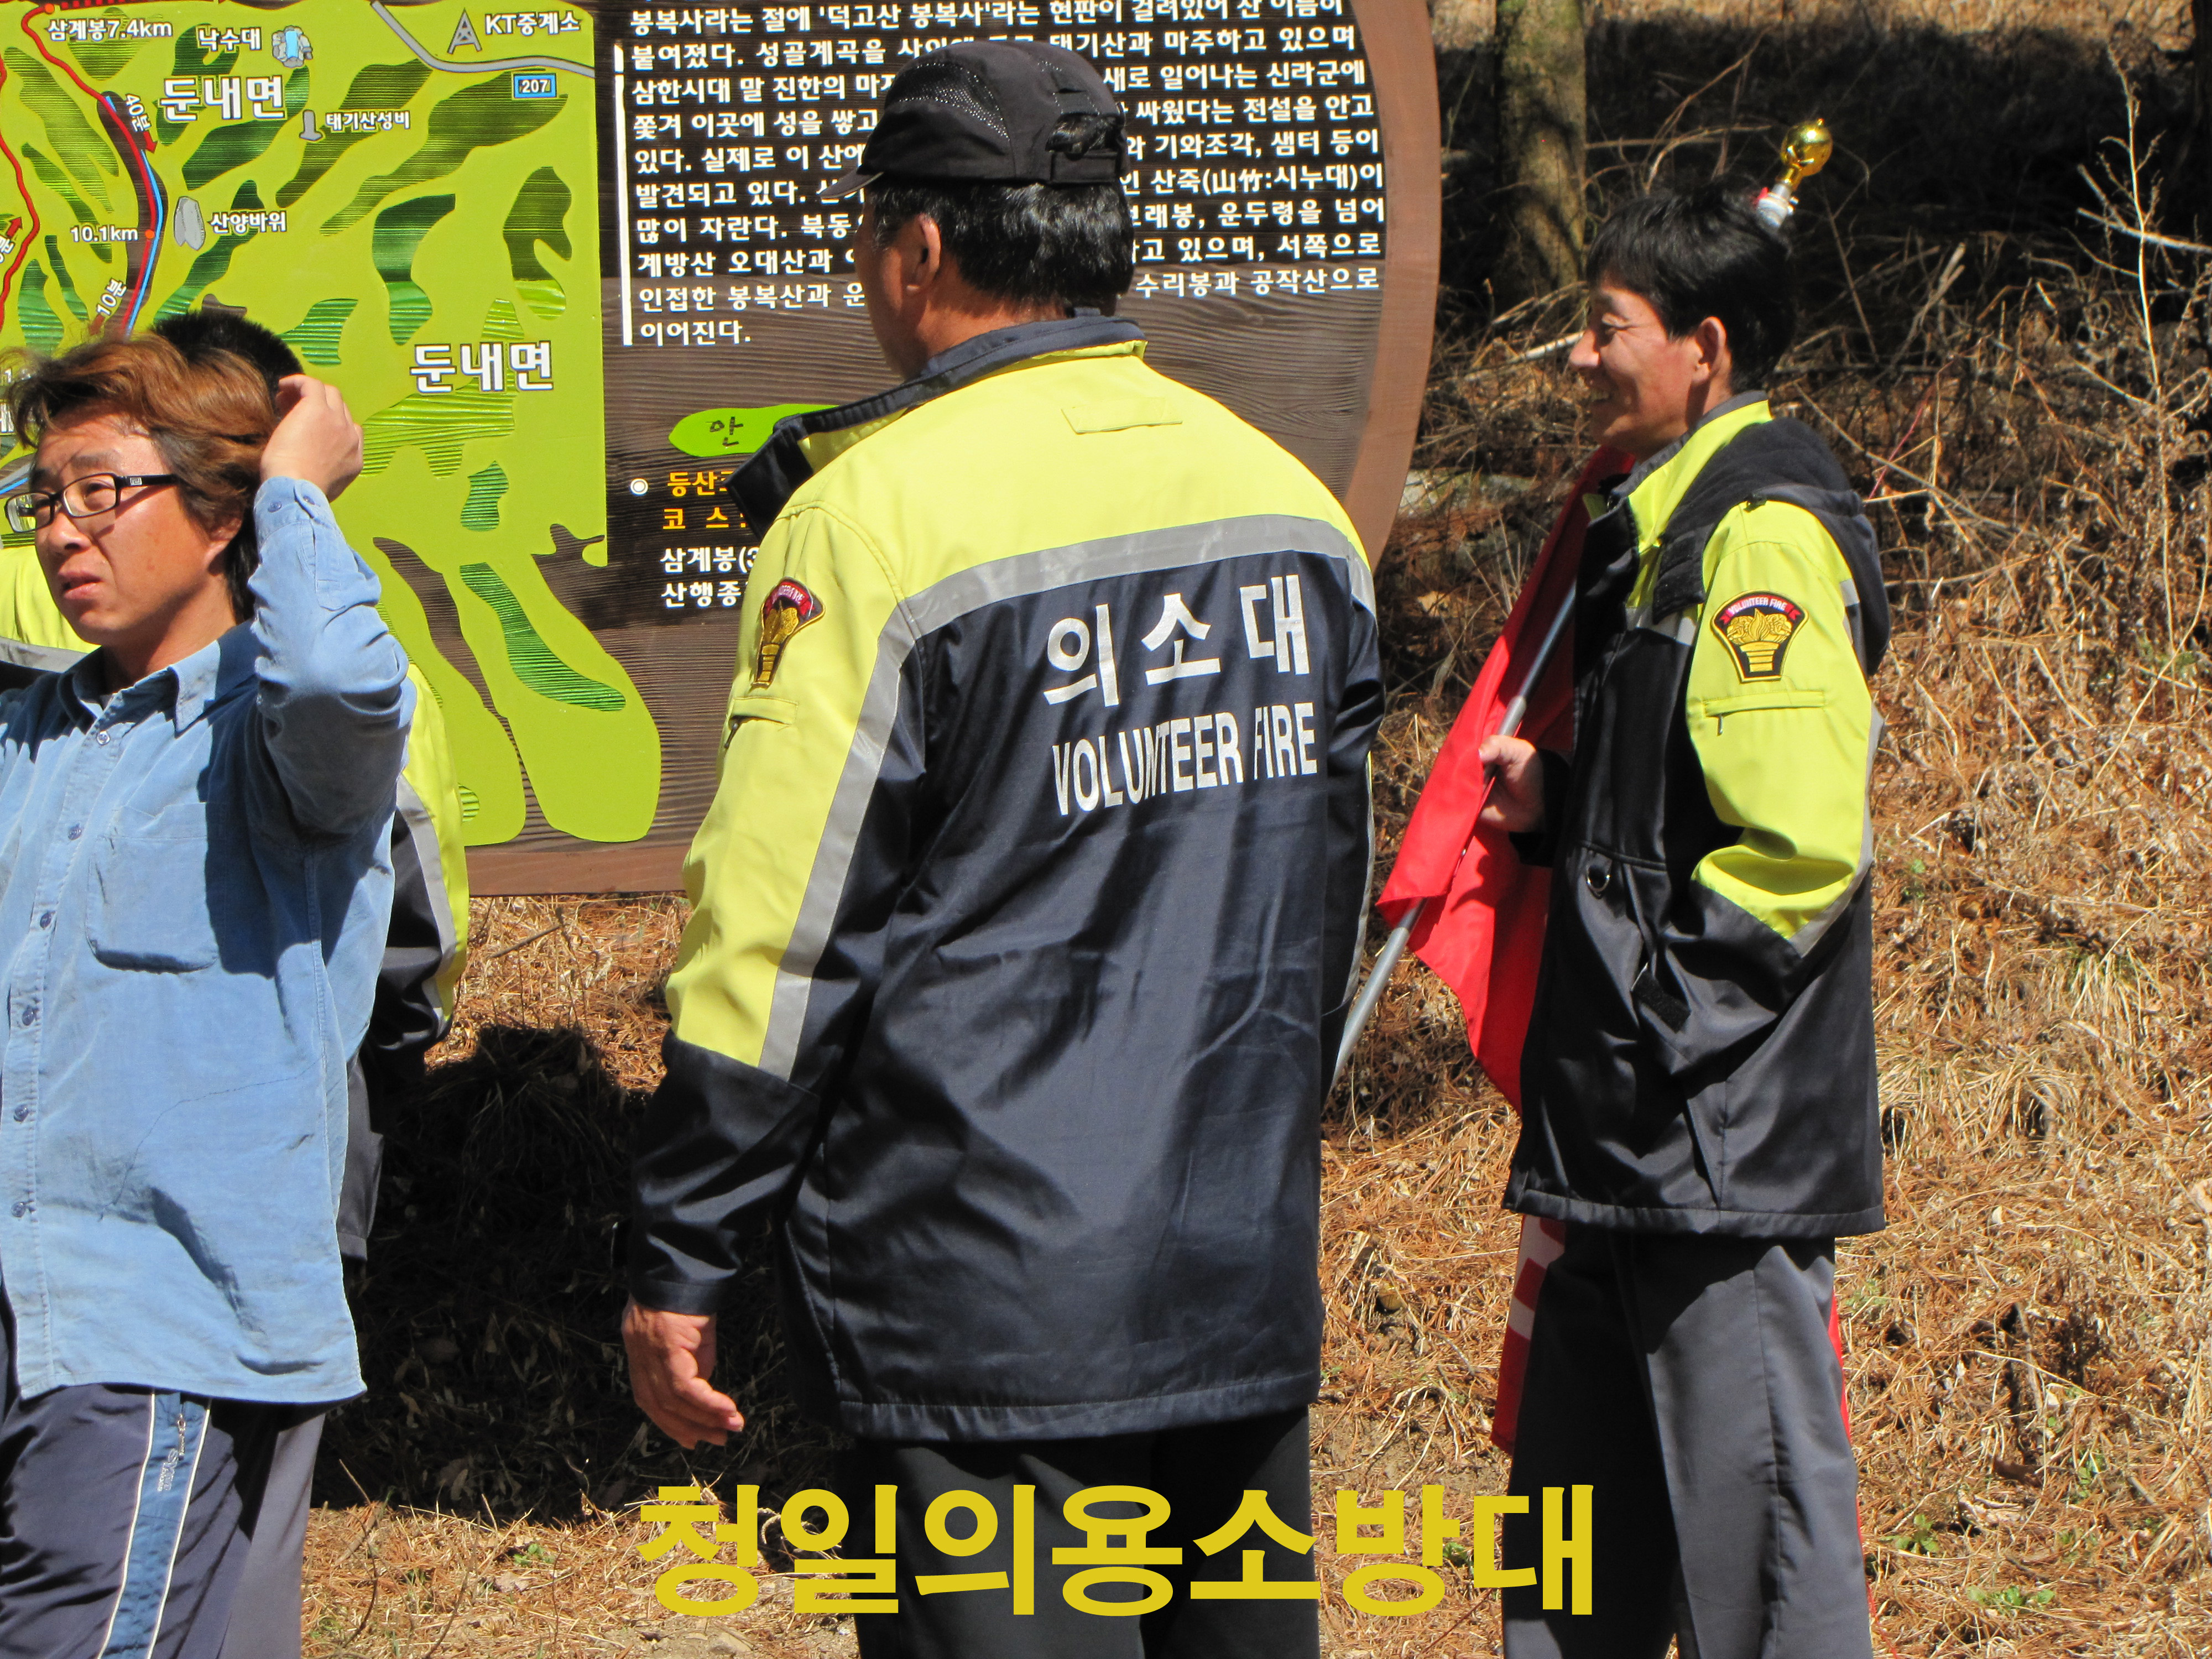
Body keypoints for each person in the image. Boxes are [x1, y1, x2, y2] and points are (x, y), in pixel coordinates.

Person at [622, 39, 1381, 1659]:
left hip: (976, 1307)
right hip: (1230, 1274)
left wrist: (688, 1241)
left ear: (916, 250)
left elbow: (780, 941)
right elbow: (1323, 906)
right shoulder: (1289, 509)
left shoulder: (870, 522)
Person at [1475, 182, 1889, 1659]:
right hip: (1622, 1139)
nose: (1578, 357)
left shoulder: (1757, 542)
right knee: (1571, 1559)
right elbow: (1688, 803)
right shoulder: (1654, 526)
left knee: (1759, 1571)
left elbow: (1794, 850)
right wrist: (1565, 800)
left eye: (1607, 329)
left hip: (1712, 1147)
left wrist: (1659, 1027)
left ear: (1704, 351)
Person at [0, 332, 411, 1657]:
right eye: (43, 498)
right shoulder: (27, 734)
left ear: (220, 514)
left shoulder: (281, 742)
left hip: (146, 1333)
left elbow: (337, 678)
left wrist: (296, 490)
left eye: (100, 492)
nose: (62, 531)